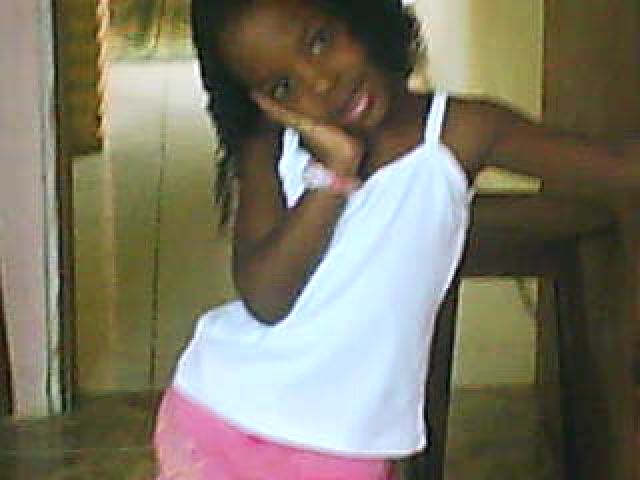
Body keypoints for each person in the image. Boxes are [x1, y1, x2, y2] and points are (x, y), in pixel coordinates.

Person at [153, 0, 638, 478]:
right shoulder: (270, 146)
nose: (320, 83)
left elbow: (618, 169)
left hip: (345, 449)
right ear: (265, 103)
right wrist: (333, 177)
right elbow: (266, 298)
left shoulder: (461, 132)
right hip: (219, 416)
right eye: (283, 86)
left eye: (319, 41)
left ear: (360, 16)